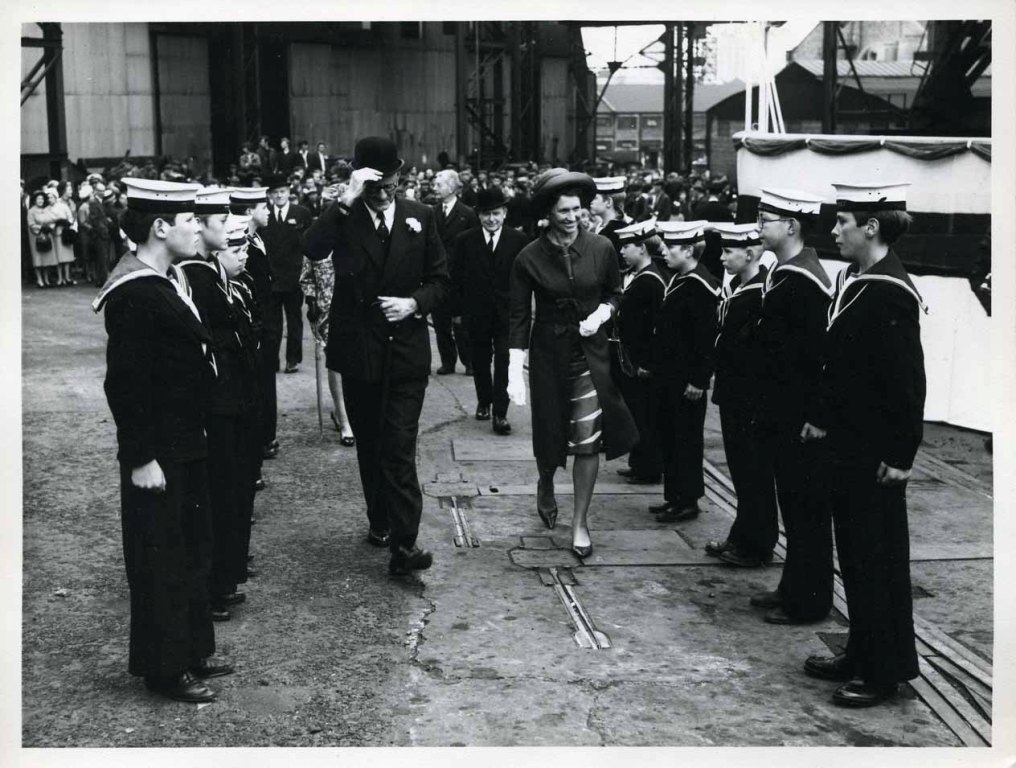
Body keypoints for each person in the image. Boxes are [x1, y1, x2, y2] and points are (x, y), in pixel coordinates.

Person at [92, 177, 231, 703]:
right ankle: (164, 668)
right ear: (159, 227)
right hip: (160, 451)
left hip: (186, 441)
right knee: (161, 558)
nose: (197, 226)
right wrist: (141, 457)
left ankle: (192, 651)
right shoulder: (135, 294)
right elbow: (125, 387)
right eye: (189, 219)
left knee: (193, 548)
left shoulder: (168, 279)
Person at [801, 182, 927, 707]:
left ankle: (882, 670)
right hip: (850, 446)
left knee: (877, 558)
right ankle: (861, 648)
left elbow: (906, 382)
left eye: (842, 222)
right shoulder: (858, 279)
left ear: (870, 227)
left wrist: (901, 457)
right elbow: (843, 366)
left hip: (876, 452)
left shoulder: (889, 290)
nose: (834, 231)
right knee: (854, 556)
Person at [303, 136, 449, 575]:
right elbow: (311, 248)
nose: (382, 193)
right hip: (361, 349)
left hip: (405, 351)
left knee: (400, 446)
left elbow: (441, 280)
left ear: (399, 178)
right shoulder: (344, 218)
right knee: (370, 443)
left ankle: (406, 544)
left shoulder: (420, 218)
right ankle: (380, 519)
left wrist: (414, 304)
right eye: (372, 185)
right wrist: (345, 199)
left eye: (388, 184)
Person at [508, 169, 638, 558]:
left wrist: (602, 313)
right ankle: (546, 480)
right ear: (547, 214)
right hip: (548, 354)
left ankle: (580, 523)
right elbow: (517, 316)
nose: (572, 217)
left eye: (577, 209)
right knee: (550, 435)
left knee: (587, 440)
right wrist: (515, 368)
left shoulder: (601, 248)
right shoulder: (528, 257)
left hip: (589, 356)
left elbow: (616, 293)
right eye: (563, 210)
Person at [750, 188, 835, 625]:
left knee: (807, 509)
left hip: (798, 414)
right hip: (782, 410)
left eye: (766, 219)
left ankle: (809, 601)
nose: (758, 226)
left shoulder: (804, 280)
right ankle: (792, 588)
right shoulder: (786, 271)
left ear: (792, 226)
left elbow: (815, 357)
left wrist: (812, 416)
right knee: (794, 506)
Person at [177, 187, 253, 620]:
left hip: (233, 400)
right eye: (221, 222)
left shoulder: (209, 271)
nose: (228, 227)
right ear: (202, 228)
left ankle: (224, 578)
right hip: (217, 404)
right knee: (218, 494)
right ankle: (214, 584)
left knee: (230, 492)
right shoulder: (197, 276)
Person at [706, 222, 777, 567]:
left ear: (749, 254)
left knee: (754, 472)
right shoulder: (738, 286)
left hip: (748, 396)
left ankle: (756, 544)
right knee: (741, 471)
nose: (721, 258)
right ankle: (742, 534)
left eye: (727, 251)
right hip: (732, 392)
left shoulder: (760, 292)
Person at [647, 220, 720, 523]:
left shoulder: (700, 286)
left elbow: (705, 338)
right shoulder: (681, 278)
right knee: (671, 436)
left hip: (686, 380)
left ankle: (688, 499)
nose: (663, 251)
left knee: (686, 440)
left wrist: (699, 380)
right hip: (670, 376)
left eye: (670, 247)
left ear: (689, 250)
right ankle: (674, 496)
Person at [450, 187, 528, 435]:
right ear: (478, 215)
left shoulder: (518, 241)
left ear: (505, 213)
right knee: (481, 361)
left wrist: (522, 312)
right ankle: (484, 401)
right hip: (476, 313)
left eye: (496, 213)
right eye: (486, 214)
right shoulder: (465, 240)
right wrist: (458, 312)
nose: (491, 219)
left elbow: (525, 281)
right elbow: (456, 278)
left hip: (507, 315)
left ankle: (500, 414)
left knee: (505, 362)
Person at [611, 219, 667, 486]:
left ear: (642, 248)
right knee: (636, 413)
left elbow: (657, 328)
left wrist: (648, 362)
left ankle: (649, 468)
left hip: (642, 362)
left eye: (626, 246)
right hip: (633, 360)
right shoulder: (640, 276)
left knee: (645, 416)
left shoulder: (651, 281)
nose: (621, 252)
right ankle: (638, 463)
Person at [229, 186, 277, 479]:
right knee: (256, 389)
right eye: (264, 206)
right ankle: (257, 447)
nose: (269, 211)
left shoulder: (257, 239)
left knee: (265, 386)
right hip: (255, 327)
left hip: (266, 325)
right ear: (249, 211)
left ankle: (264, 438)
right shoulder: (241, 244)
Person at [300, 248, 356, 446]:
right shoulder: (317, 242)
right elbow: (306, 278)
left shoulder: (354, 234)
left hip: (356, 312)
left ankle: (352, 412)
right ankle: (344, 421)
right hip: (327, 315)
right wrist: (311, 299)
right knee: (336, 364)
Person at [262, 174, 313, 374]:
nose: (279, 196)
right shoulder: (263, 215)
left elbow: (309, 245)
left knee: (294, 321)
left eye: (282, 192)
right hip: (272, 278)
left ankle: (293, 360)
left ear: (289, 192)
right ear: (269, 195)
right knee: (272, 323)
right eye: (275, 193)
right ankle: (272, 360)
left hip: (294, 279)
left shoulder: (302, 213)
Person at [432, 169, 479, 375]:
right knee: (441, 322)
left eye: (439, 184)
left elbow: (475, 246)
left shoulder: (467, 214)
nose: (435, 187)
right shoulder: (432, 213)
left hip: (461, 278)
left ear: (451, 187)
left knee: (462, 323)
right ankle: (448, 362)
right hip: (439, 276)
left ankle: (469, 361)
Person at [27, 190, 58, 288]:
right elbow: (31, 224)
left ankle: (46, 279)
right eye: (38, 199)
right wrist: (40, 228)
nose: (40, 201)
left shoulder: (46, 210)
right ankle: (39, 279)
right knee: (38, 258)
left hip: (47, 234)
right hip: (37, 236)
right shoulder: (31, 211)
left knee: (47, 258)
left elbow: (52, 219)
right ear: (34, 200)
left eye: (42, 199)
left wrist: (50, 227)